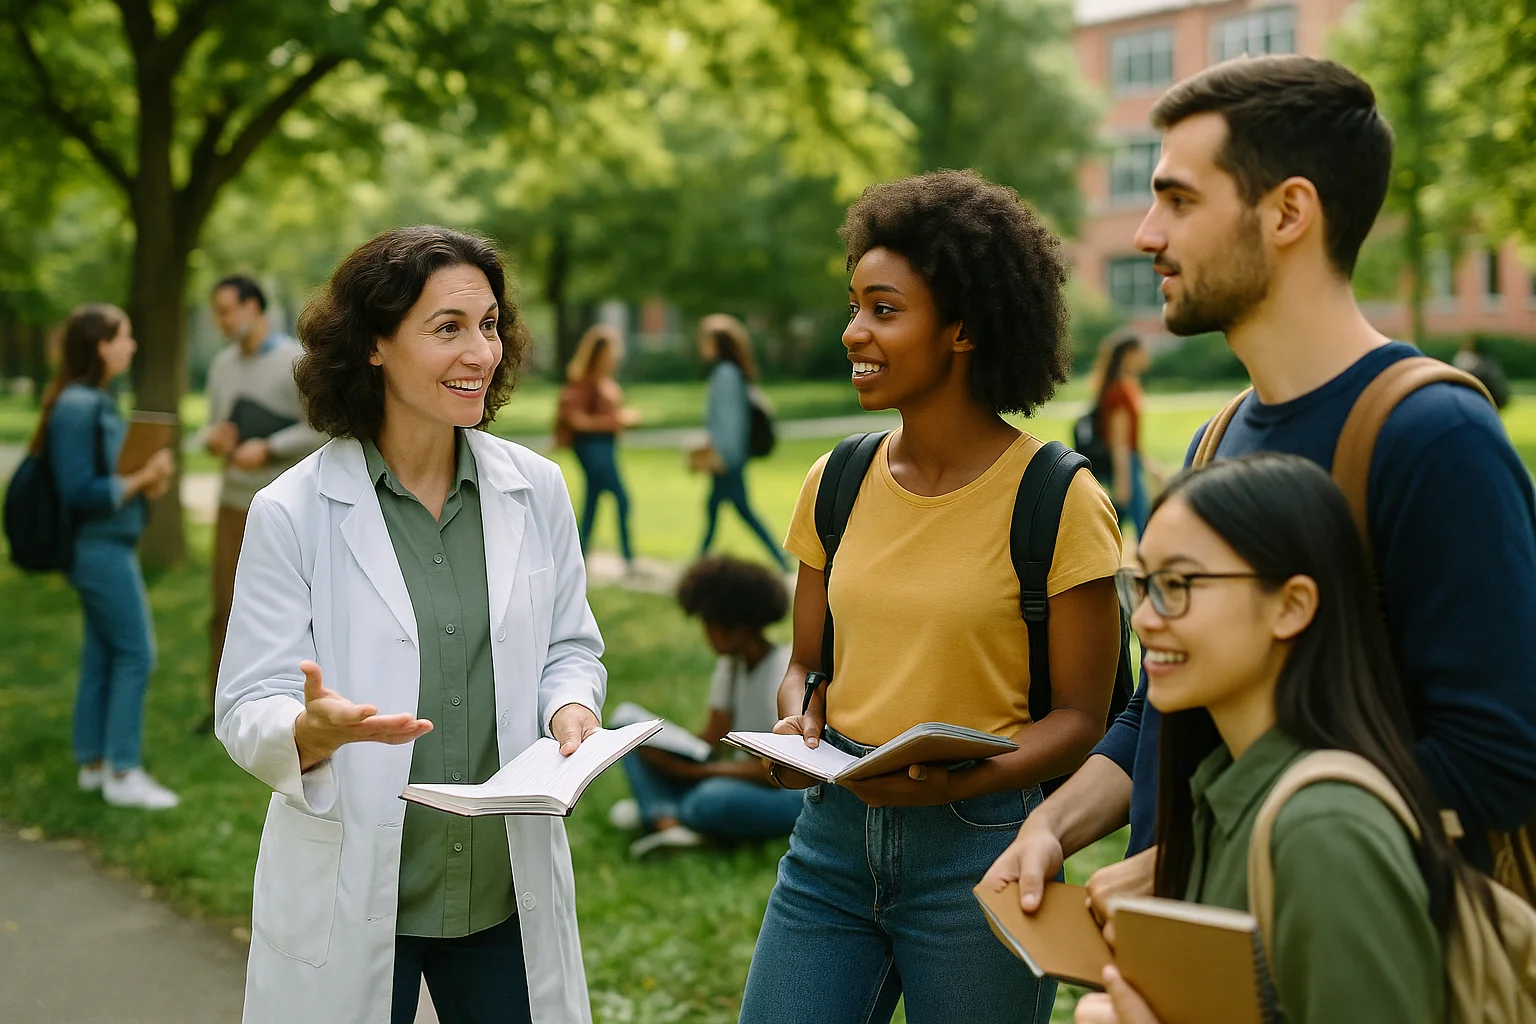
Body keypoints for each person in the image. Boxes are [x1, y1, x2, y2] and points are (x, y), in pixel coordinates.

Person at [983, 54, 1536, 921]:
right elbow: (1158, 717)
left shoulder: (1434, 438)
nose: (1144, 234)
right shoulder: (1216, 441)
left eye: (1180, 200)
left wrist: (1206, 863)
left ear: (1288, 212)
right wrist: (1054, 823)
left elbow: (1497, 759)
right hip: (1189, 960)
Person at [737, 170, 1124, 1024]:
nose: (852, 332)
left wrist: (952, 785)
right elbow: (806, 660)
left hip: (986, 850)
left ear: (962, 329)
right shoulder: (835, 480)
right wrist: (798, 717)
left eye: (883, 309)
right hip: (829, 844)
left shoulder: (1058, 498)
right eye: (854, 306)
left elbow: (1082, 721)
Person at [215, 226, 607, 1024]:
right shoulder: (291, 512)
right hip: (358, 891)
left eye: (490, 325)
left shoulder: (536, 490)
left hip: (501, 891)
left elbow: (570, 644)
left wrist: (571, 705)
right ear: (373, 346)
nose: (481, 352)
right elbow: (247, 701)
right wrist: (307, 730)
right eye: (448, 329)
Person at [1073, 454, 1458, 1024]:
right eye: (1144, 584)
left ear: (1293, 605)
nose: (1146, 618)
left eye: (1178, 584)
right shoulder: (1224, 791)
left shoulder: (1324, 830)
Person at [32, 303, 178, 809]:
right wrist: (140, 478)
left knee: (103, 654)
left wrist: (146, 480)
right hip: (97, 549)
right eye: (125, 336)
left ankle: (93, 765)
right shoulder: (78, 405)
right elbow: (79, 491)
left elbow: (106, 479)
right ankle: (123, 771)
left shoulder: (93, 400)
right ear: (101, 345)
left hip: (109, 543)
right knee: (137, 652)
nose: (132, 346)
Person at [197, 275, 325, 733]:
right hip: (233, 500)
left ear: (254, 307)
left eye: (228, 310)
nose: (221, 320)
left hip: (283, 509)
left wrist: (267, 447)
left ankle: (291, 708)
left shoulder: (295, 361)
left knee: (291, 613)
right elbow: (212, 426)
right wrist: (214, 438)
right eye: (217, 312)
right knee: (224, 604)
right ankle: (219, 706)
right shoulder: (222, 365)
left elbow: (320, 428)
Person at [609, 555, 802, 857]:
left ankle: (666, 811)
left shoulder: (782, 671)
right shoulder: (732, 666)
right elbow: (712, 739)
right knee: (628, 723)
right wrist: (665, 752)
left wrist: (693, 774)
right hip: (735, 777)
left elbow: (783, 772)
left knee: (711, 800)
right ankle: (671, 821)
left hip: (781, 790)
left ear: (735, 625)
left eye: (709, 622)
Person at [694, 314, 788, 571]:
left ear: (718, 344)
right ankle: (698, 561)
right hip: (729, 455)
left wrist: (722, 456)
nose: (702, 346)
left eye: (706, 341)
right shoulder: (730, 373)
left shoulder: (725, 374)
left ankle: (781, 561)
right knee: (718, 509)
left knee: (740, 511)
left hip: (728, 457)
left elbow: (729, 422)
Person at [555, 324, 640, 570]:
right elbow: (577, 420)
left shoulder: (605, 381)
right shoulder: (583, 383)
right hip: (593, 449)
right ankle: (628, 558)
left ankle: (578, 556)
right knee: (622, 499)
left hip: (606, 447)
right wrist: (615, 421)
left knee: (592, 502)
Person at [1093, 331, 1156, 537]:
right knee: (1140, 525)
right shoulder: (1118, 392)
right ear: (1129, 354)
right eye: (1141, 351)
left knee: (1133, 522)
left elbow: (1132, 437)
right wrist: (1123, 480)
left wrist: (1147, 464)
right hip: (1125, 464)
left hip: (1132, 461)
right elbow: (1118, 442)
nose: (1146, 356)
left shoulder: (1128, 385)